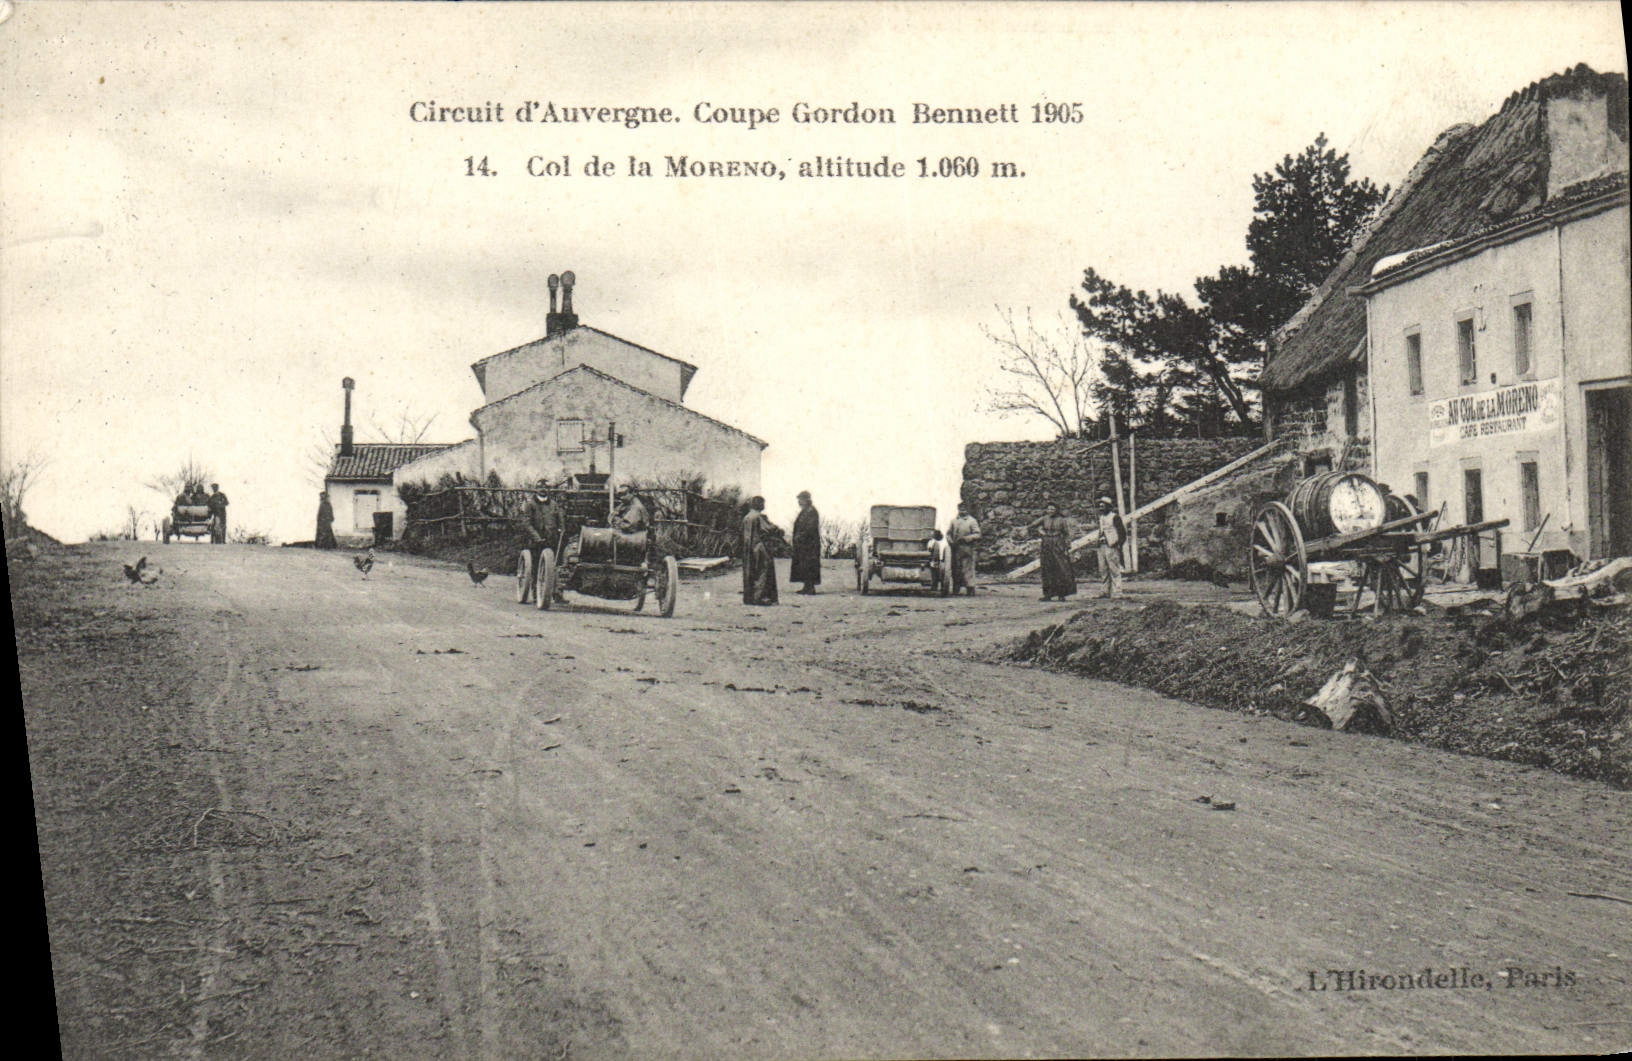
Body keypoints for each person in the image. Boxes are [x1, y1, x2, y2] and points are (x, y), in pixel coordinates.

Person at [1026, 502, 1076, 601]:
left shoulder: (1062, 520)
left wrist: (1067, 546)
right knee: (1047, 568)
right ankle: (1048, 594)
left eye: (1052, 509)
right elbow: (1031, 526)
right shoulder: (1044, 518)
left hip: (1058, 544)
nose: (1050, 511)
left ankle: (1061, 595)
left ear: (1057, 510)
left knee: (1060, 569)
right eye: (1049, 509)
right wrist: (1040, 530)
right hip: (1046, 544)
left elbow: (1067, 534)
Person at [741, 496, 782, 605]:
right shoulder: (759, 517)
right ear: (758, 504)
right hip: (759, 547)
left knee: (749, 572)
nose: (764, 506)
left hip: (747, 547)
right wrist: (778, 529)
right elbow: (769, 529)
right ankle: (760, 597)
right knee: (762, 571)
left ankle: (749, 597)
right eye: (762, 503)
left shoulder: (747, 517)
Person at [948, 503, 983, 596]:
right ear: (958, 509)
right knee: (955, 568)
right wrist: (950, 541)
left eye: (964, 509)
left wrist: (967, 538)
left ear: (967, 510)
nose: (962, 511)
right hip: (955, 548)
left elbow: (977, 534)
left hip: (967, 548)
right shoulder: (954, 521)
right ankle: (956, 587)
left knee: (967, 568)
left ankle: (970, 588)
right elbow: (948, 533)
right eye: (960, 509)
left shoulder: (972, 521)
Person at [790, 490, 821, 594]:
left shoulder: (811, 511)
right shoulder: (805, 511)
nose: (799, 502)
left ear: (806, 500)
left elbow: (810, 528)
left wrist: (800, 536)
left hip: (810, 544)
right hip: (803, 544)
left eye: (801, 500)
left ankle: (810, 588)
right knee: (804, 565)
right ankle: (806, 587)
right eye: (799, 500)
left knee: (809, 565)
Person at [1096, 495, 1127, 599]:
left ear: (1108, 507)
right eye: (1100, 506)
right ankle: (1105, 591)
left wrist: (1118, 545)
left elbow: (1122, 533)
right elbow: (1101, 531)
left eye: (1103, 506)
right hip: (1102, 546)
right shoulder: (1101, 518)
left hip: (1111, 546)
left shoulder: (1115, 517)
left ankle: (1117, 592)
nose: (1101, 508)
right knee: (1103, 569)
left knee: (1114, 569)